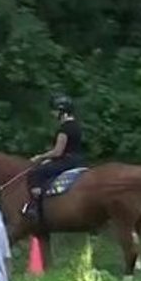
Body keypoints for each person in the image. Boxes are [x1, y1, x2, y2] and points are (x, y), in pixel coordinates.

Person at [22, 93, 85, 224]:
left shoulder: (64, 129)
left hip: (67, 161)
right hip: (78, 160)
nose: (53, 113)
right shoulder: (76, 126)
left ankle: (35, 207)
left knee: (36, 173)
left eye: (55, 111)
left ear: (62, 111)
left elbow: (57, 152)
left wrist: (40, 157)